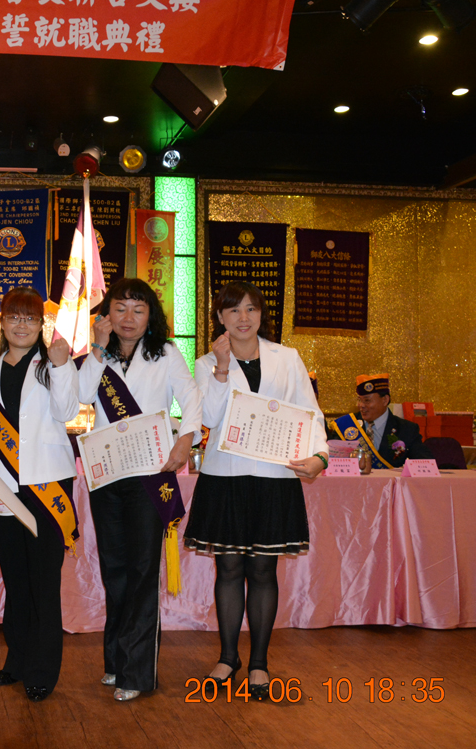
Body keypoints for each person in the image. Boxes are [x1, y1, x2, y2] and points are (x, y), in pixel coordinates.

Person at [185, 281, 328, 700]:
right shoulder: (206, 362)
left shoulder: (288, 358)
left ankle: (260, 663)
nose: (243, 318)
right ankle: (228, 658)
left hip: (273, 478)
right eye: (233, 310)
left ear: (262, 315)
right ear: (220, 317)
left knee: (263, 571)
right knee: (228, 569)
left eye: (251, 309)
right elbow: (210, 417)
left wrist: (320, 456)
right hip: (225, 478)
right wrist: (222, 367)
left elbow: (310, 413)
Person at [77, 277, 203, 702]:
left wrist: (186, 440)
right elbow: (81, 394)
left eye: (138, 309)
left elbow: (192, 398)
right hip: (107, 475)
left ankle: (137, 673)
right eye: (120, 308)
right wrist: (97, 346)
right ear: (106, 314)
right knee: (114, 569)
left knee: (143, 571)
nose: (128, 318)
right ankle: (116, 662)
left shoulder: (165, 353)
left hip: (150, 473)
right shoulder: (99, 354)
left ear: (151, 316)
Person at [0, 287, 79, 703]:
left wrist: (63, 365)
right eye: (14, 317)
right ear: (1, 322)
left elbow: (67, 411)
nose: (21, 325)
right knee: (15, 581)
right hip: (2, 488)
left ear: (41, 325)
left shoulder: (53, 366)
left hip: (47, 487)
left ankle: (42, 670)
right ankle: (16, 660)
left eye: (30, 318)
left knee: (43, 584)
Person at [330, 374, 433, 469]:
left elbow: (426, 463)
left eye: (367, 400)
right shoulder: (345, 425)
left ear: (385, 400)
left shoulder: (406, 429)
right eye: (360, 400)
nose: (361, 405)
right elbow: (331, 462)